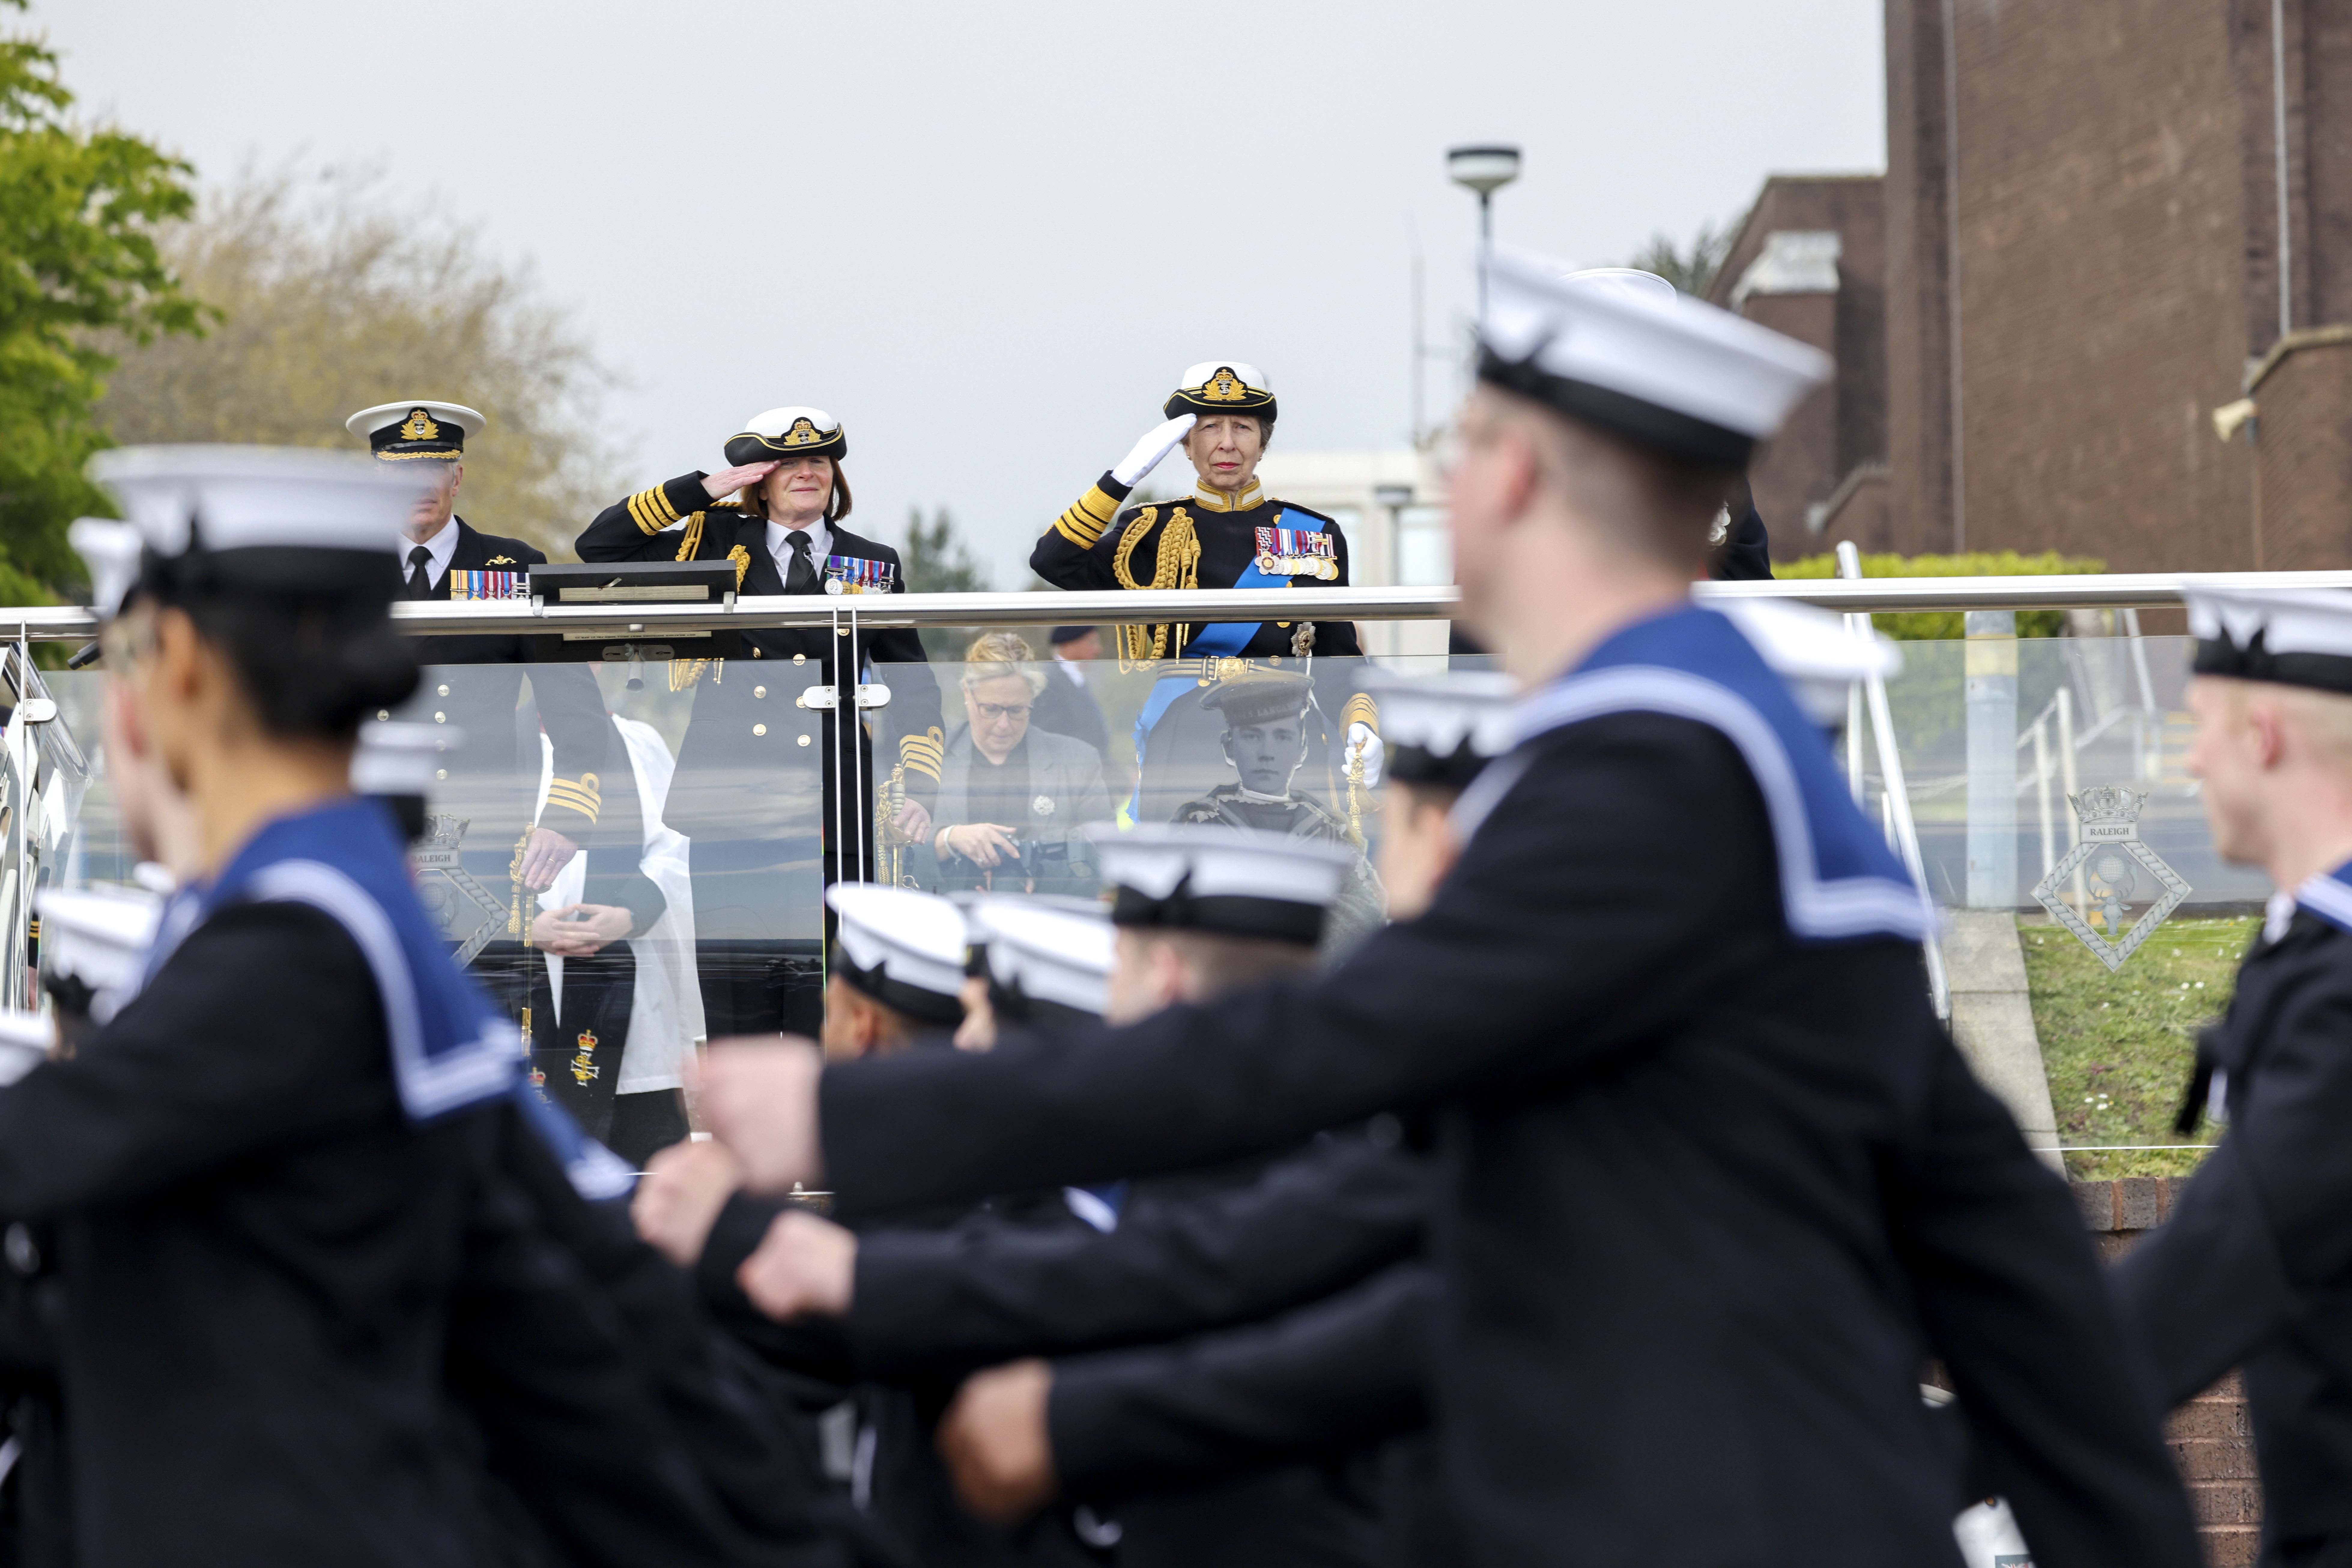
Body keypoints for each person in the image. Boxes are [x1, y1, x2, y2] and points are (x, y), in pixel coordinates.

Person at [695, 253, 2206, 1568]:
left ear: (1526, 477)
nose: (1443, 474)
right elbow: (1428, 1209)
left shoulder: (1658, 778)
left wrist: (864, 1129)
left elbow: (1332, 1049)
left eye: (1465, 440)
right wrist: (940, 1308)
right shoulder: (1713, 757)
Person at [2110, 584, 2352, 1568]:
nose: (2191, 758)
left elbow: (2217, 1266)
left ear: (2261, 735)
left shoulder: (2338, 990)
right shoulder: (2307, 947)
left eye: (2200, 727)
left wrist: (1938, 1452)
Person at [576, 406, 944, 1039]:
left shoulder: (871, 563)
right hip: (731, 812)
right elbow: (599, 549)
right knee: (734, 1006)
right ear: (761, 479)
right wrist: (703, 489)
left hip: (831, 810)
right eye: (790, 463)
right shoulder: (717, 542)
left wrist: (921, 787)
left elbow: (914, 684)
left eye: (820, 461)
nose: (808, 472)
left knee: (822, 1006)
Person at [345, 402, 665, 1095]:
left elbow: (580, 720)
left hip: (483, 846)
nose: (420, 487)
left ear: (457, 477)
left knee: (488, 1037)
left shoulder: (511, 568)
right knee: (369, 1028)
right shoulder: (344, 570)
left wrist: (566, 817)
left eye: (434, 470)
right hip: (373, 835)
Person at [1029, 363, 1381, 823]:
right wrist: (1120, 479)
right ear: (1185, 443)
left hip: (1282, 729)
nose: (1227, 443)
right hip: (1186, 729)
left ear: (1263, 441)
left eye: (1243, 427)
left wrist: (1359, 720)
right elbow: (1053, 561)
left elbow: (1338, 653)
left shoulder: (1313, 533)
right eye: (1209, 427)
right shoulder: (1150, 530)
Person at [1171, 668, 1384, 949]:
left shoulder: (1328, 830)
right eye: (1252, 737)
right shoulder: (1199, 824)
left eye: (1282, 737)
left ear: (1302, 749)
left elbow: (1364, 910)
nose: (1267, 752)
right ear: (1229, 748)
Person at [926, 633, 1112, 898]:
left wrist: (1045, 879)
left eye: (1016, 710)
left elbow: (1105, 855)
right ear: (967, 693)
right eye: (990, 709)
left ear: (1033, 699)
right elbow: (890, 851)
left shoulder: (1078, 761)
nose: (1004, 725)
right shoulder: (930, 760)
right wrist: (949, 840)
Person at [1029, 627, 1113, 761]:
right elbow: (1050, 739)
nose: (1098, 650)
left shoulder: (1078, 680)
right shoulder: (1049, 683)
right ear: (1069, 644)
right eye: (1091, 642)